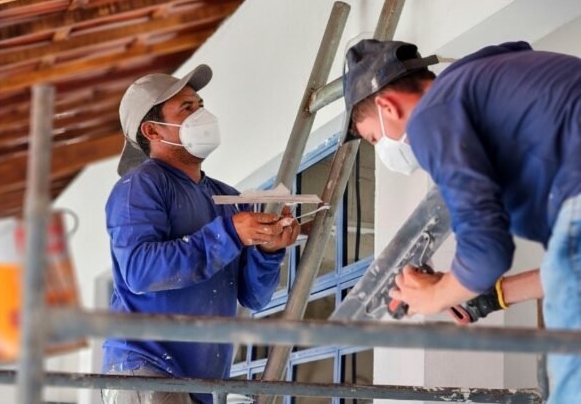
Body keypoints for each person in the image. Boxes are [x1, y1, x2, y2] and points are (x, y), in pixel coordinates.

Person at [340, 39, 580, 403]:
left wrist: (435, 295)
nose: (383, 149)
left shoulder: (432, 115)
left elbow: (487, 253)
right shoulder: (487, 92)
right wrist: (483, 296)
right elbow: (566, 273)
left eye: (374, 138)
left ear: (387, 106)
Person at [102, 64, 301, 404]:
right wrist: (229, 233)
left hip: (200, 382)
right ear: (152, 130)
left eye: (200, 104)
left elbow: (254, 297)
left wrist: (268, 251)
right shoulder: (140, 186)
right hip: (146, 368)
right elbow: (139, 270)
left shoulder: (226, 197)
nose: (203, 115)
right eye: (187, 109)